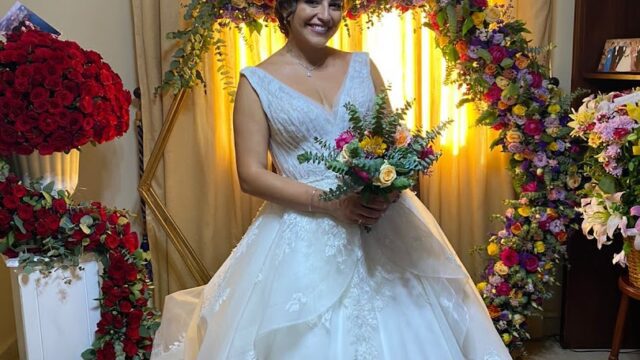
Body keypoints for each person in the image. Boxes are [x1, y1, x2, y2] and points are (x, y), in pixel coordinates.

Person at [151, 0, 513, 358]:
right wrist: (332, 204)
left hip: (382, 218)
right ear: (287, 9)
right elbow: (250, 175)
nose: (325, 15)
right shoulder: (255, 82)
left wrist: (392, 182)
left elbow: (392, 136)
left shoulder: (362, 66)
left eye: (335, 5)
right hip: (302, 227)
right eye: (312, 2)